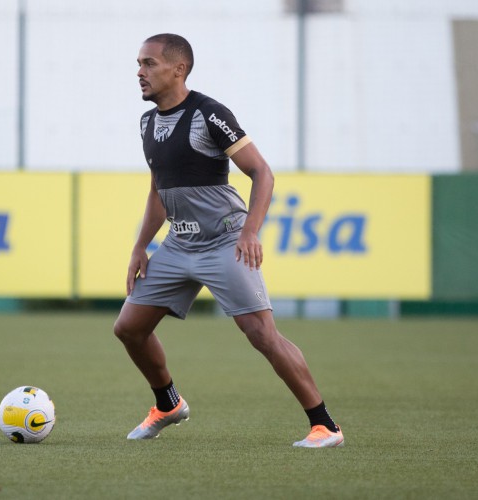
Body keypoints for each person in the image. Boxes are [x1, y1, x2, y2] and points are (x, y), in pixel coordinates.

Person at [113, 33, 344, 447]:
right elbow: (158, 193)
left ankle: (324, 425)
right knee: (129, 328)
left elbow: (263, 173)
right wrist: (139, 246)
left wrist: (250, 231)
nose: (139, 72)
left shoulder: (208, 114)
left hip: (224, 242)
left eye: (148, 63)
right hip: (179, 245)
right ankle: (168, 403)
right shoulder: (147, 122)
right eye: (139, 63)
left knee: (262, 336)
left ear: (178, 69)